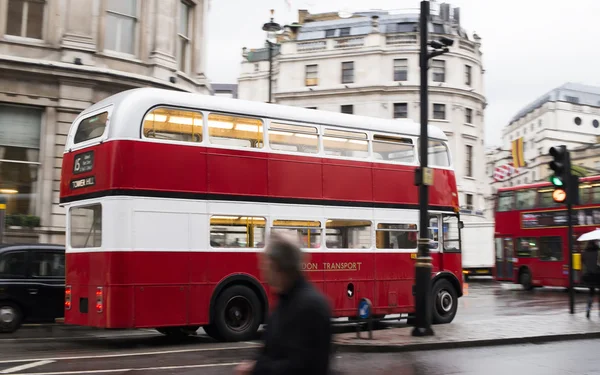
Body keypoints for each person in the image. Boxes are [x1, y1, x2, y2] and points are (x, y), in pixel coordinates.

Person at [235, 232, 332, 375]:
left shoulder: (310, 306)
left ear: (276, 265)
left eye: (264, 262)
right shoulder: (285, 300)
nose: (261, 267)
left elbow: (302, 367)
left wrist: (255, 369)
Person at [581, 240, 600, 318]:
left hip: (588, 276)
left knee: (591, 293)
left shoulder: (584, 253)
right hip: (598, 275)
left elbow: (583, 263)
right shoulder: (598, 252)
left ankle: (588, 310)